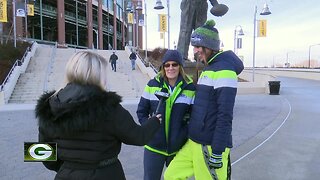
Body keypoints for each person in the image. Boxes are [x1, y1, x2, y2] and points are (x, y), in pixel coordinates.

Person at [35, 51, 161, 180]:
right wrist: (155, 121)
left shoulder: (48, 105)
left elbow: (41, 153)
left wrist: (68, 168)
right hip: (106, 174)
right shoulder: (109, 106)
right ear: (98, 75)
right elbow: (139, 137)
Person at [165, 20, 244, 180]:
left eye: (198, 47)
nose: (195, 51)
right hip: (194, 141)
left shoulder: (225, 71)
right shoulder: (209, 68)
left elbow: (225, 114)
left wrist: (217, 151)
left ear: (209, 46)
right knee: (171, 175)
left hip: (209, 145)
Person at [137, 50, 196, 180]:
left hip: (178, 148)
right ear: (163, 67)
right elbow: (141, 111)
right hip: (154, 147)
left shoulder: (190, 88)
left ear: (180, 66)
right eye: (167, 65)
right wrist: (148, 127)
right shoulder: (153, 85)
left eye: (174, 64)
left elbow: (194, 116)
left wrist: (185, 132)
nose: (170, 68)